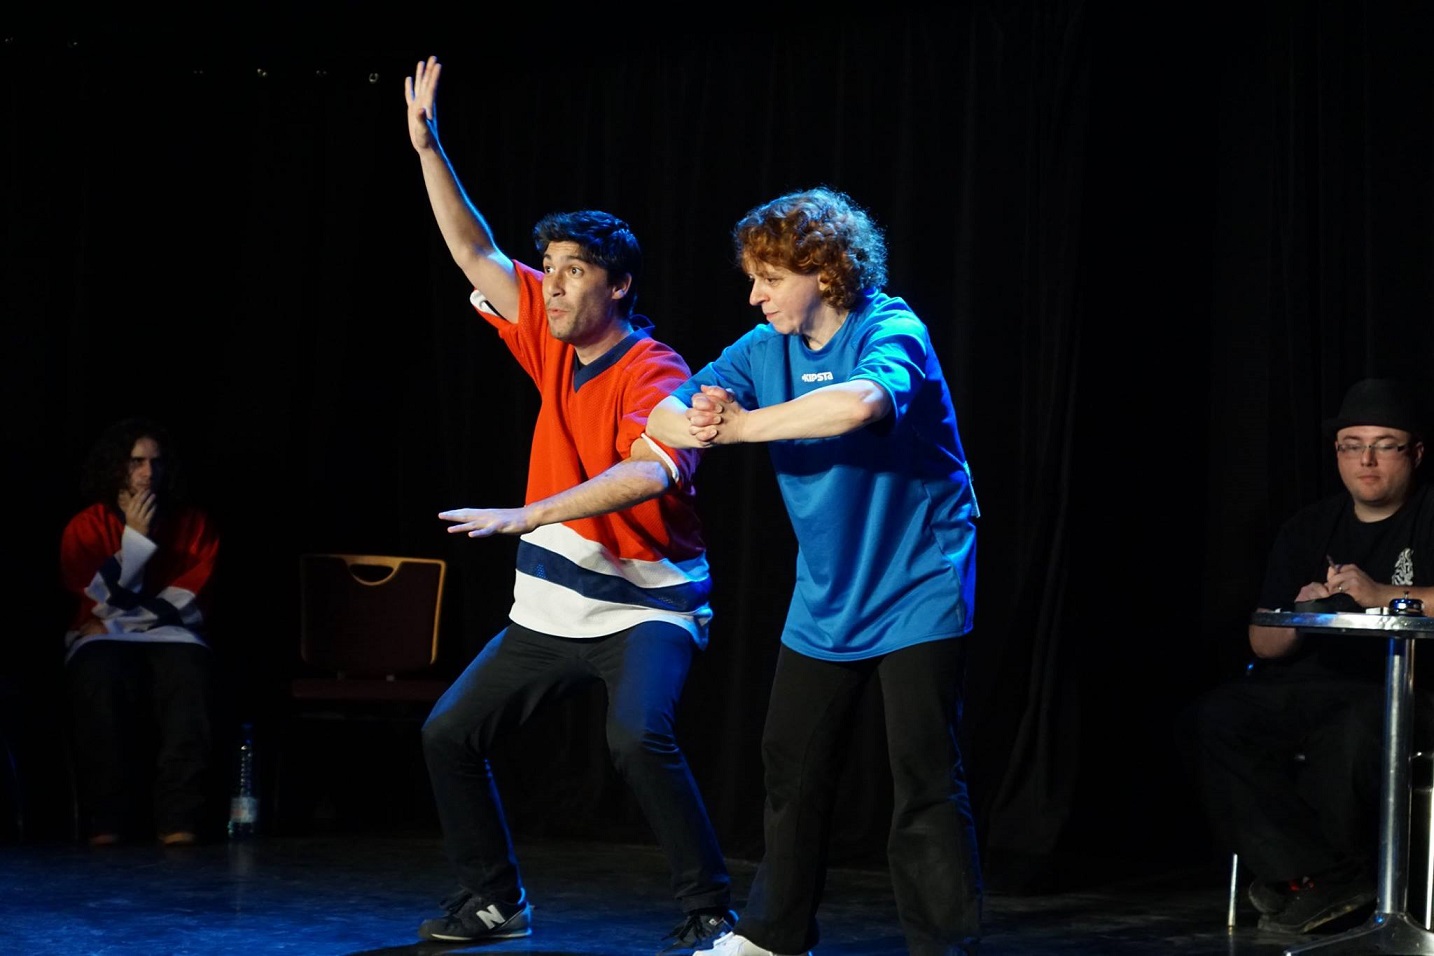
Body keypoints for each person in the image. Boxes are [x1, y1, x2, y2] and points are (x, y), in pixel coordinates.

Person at [403, 56, 735, 952]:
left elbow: (653, 470)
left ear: (617, 285)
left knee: (635, 740)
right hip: (552, 612)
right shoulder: (548, 342)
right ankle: (494, 900)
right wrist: (429, 148)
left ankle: (709, 909)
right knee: (447, 734)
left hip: (649, 608)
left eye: (572, 271)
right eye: (547, 268)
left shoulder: (653, 369)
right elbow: (473, 250)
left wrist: (531, 514)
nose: (548, 285)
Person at [646, 186, 983, 956]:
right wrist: (696, 420)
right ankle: (774, 933)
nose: (755, 296)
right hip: (826, 591)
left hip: (919, 582)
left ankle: (943, 947)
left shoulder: (890, 328)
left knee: (923, 776)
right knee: (791, 764)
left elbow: (860, 405)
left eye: (770, 278)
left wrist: (739, 429)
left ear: (825, 271)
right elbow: (665, 412)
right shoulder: (762, 350)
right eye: (753, 279)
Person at [1182, 377, 1434, 934]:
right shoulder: (1309, 527)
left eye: (1384, 445)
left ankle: (1319, 884)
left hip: (1405, 688)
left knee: (1355, 729)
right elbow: (1263, 641)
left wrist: (1382, 594)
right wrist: (1302, 612)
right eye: (1352, 446)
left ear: (1414, 453)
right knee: (1218, 717)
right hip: (1309, 684)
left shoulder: (1428, 515)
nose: (1366, 461)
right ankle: (1318, 879)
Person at [59, 416, 221, 847]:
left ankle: (179, 818)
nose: (148, 473)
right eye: (136, 462)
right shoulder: (87, 525)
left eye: (156, 462)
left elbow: (186, 601)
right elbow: (91, 600)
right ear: (117, 466)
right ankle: (106, 821)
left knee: (189, 673)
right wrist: (134, 539)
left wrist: (115, 619)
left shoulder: (193, 524)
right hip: (103, 638)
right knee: (98, 674)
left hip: (170, 633)